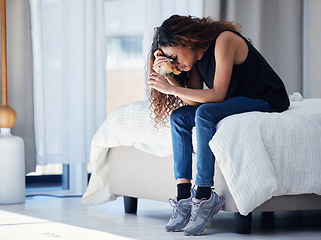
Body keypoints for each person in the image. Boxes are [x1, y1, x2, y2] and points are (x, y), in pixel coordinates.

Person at [147, 15, 289, 236]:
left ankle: (204, 195)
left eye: (173, 56)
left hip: (266, 98)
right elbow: (194, 100)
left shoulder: (224, 40)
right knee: (179, 117)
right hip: (234, 100)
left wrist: (172, 88)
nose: (174, 63)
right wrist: (170, 77)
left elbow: (217, 94)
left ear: (187, 40)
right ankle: (184, 196)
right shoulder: (191, 61)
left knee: (205, 114)